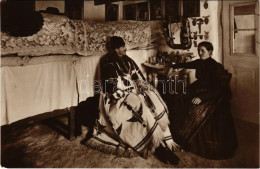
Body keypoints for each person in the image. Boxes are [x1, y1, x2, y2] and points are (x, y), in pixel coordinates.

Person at [85, 36, 181, 164]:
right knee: (139, 109)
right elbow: (110, 87)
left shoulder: (127, 59)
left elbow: (138, 76)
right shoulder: (107, 61)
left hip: (132, 90)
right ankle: (158, 147)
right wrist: (126, 92)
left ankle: (165, 140)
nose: (125, 49)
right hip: (117, 97)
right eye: (123, 47)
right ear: (116, 49)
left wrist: (142, 86)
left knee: (152, 97)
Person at [167, 41, 238, 159]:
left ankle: (188, 138)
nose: (200, 53)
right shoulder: (200, 62)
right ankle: (176, 136)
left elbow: (219, 89)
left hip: (212, 95)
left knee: (194, 110)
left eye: (202, 51)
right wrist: (173, 67)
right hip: (199, 88)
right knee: (178, 99)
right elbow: (188, 65)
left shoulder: (216, 67)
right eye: (199, 50)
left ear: (210, 52)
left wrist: (201, 98)